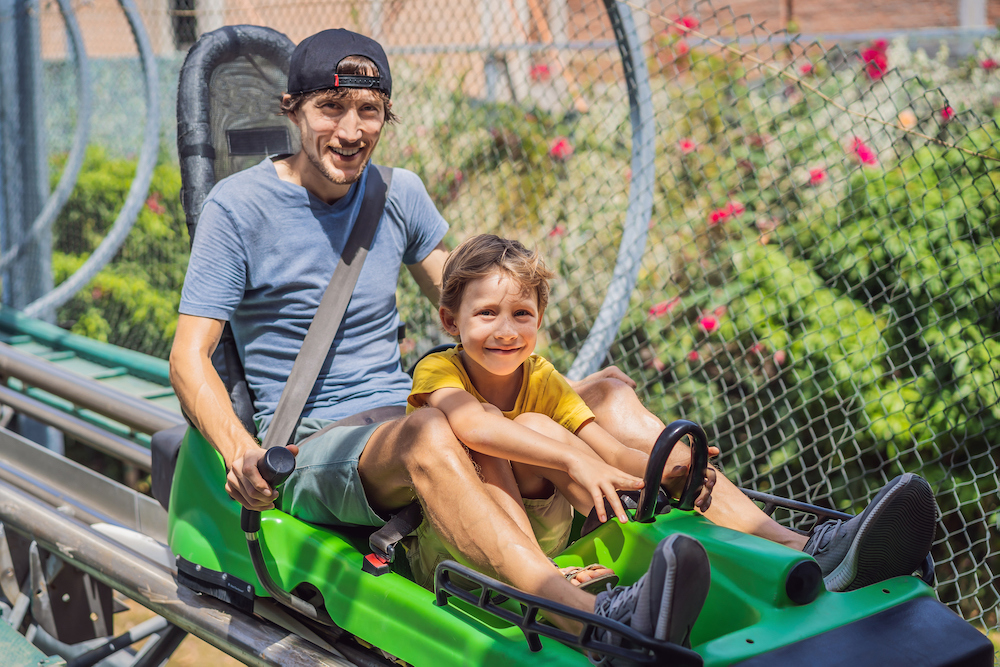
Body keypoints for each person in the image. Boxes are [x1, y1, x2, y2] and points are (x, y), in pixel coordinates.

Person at [168, 26, 937, 652]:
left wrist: (569, 417)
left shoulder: (397, 193)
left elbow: (468, 305)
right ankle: (574, 611)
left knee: (604, 390)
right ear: (293, 108)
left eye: (368, 110)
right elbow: (190, 356)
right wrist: (241, 452)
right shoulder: (239, 209)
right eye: (331, 109)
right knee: (437, 427)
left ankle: (807, 548)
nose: (350, 129)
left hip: (410, 407)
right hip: (320, 446)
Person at [405, 234, 717, 592]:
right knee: (489, 419)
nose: (506, 331)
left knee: (537, 424)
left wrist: (665, 472)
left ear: (538, 321)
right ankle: (540, 575)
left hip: (546, 542)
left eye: (521, 314)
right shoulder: (438, 370)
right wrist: (573, 460)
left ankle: (629, 526)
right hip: (457, 546)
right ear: (450, 321)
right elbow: (473, 426)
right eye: (487, 313)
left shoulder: (542, 378)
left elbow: (610, 451)